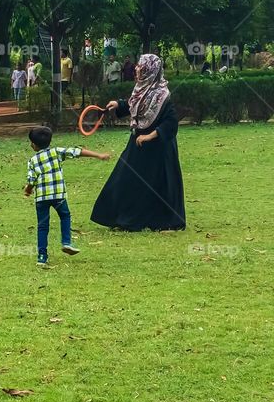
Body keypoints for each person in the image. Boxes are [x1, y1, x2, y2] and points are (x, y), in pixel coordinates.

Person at [91, 54, 186, 231]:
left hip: (158, 149)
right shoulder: (141, 88)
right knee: (125, 179)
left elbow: (171, 123)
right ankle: (122, 219)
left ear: (150, 70)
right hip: (138, 144)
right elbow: (136, 106)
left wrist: (150, 136)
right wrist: (118, 105)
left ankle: (158, 221)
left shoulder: (162, 94)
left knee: (157, 185)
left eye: (140, 66)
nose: (136, 68)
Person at [25, 127, 110, 267]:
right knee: (65, 216)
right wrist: (99, 155)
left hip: (41, 198)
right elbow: (78, 152)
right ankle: (66, 242)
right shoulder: (56, 152)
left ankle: (42, 257)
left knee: (42, 226)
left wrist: (28, 190)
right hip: (58, 195)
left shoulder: (32, 160)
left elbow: (31, 180)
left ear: (33, 144)